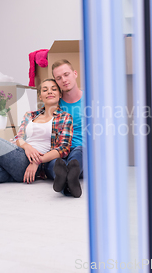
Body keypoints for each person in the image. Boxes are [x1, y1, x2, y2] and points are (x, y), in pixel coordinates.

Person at [45, 59, 84, 198]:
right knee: (54, 162)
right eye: (59, 78)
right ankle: (69, 180)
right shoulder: (54, 104)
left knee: (79, 154)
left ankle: (66, 180)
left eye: (67, 74)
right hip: (60, 149)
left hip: (82, 149)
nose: (64, 80)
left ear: (75, 74)